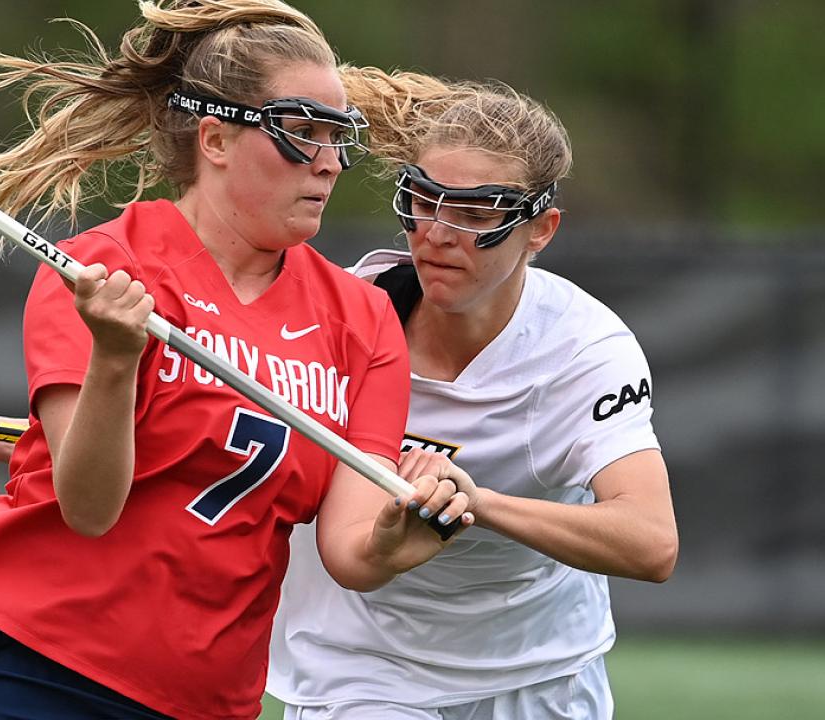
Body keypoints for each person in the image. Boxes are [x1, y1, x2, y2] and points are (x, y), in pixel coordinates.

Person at [0, 3, 474, 719]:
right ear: (216, 140)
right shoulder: (108, 269)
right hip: (22, 664)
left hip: (201, 698)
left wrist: (397, 539)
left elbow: (350, 550)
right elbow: (90, 507)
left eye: (337, 139)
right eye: (299, 135)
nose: (328, 163)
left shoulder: (363, 318)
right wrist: (114, 358)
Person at [266, 75, 679, 719]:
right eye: (422, 201)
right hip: (360, 665)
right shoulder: (340, 316)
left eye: (476, 215)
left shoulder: (583, 349)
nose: (436, 234)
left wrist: (473, 504)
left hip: (538, 667)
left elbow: (651, 542)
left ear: (540, 230)